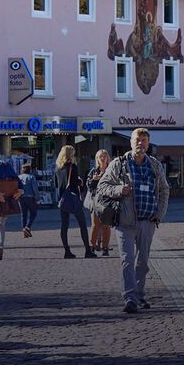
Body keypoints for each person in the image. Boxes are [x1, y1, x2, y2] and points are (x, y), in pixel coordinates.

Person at [96, 129, 169, 312]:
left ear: (148, 143)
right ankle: (129, 297)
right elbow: (102, 186)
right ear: (131, 142)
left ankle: (139, 294)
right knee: (127, 260)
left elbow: (164, 191)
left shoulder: (154, 165)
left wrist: (159, 214)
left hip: (147, 221)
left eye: (144, 141)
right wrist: (119, 190)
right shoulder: (119, 164)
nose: (140, 144)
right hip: (125, 221)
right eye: (137, 140)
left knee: (142, 262)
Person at [55, 146, 96, 260]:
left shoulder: (58, 168)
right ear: (70, 155)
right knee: (82, 224)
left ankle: (67, 251)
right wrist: (80, 181)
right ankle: (87, 251)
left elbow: (56, 184)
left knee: (64, 225)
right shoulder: (73, 167)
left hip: (62, 199)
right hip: (73, 198)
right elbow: (74, 183)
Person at [87, 150, 113, 255]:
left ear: (107, 158)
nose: (102, 158)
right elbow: (89, 186)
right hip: (96, 201)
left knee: (106, 225)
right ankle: (92, 246)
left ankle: (105, 247)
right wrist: (94, 180)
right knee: (95, 225)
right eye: (100, 157)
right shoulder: (93, 171)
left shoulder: (111, 171)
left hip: (107, 201)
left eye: (104, 156)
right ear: (97, 159)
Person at [17, 163, 39, 238]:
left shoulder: (19, 177)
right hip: (30, 197)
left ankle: (25, 232)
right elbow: (35, 188)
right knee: (33, 213)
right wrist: (38, 198)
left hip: (21, 198)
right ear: (30, 169)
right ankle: (27, 227)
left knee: (23, 214)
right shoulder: (31, 177)